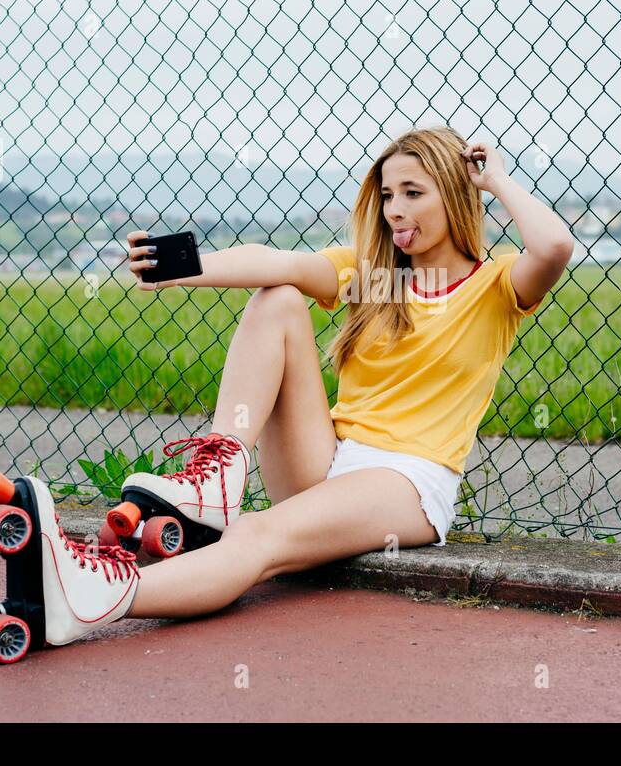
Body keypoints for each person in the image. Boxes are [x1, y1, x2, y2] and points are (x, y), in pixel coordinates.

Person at [55, 125, 573, 638]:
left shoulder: (495, 285)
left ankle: (94, 595)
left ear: (457, 195)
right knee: (278, 295)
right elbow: (276, 260)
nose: (395, 209)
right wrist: (175, 266)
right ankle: (217, 473)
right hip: (330, 458)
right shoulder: (377, 279)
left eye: (414, 193)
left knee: (255, 534)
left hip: (406, 482)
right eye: (388, 194)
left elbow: (553, 247)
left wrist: (497, 181)